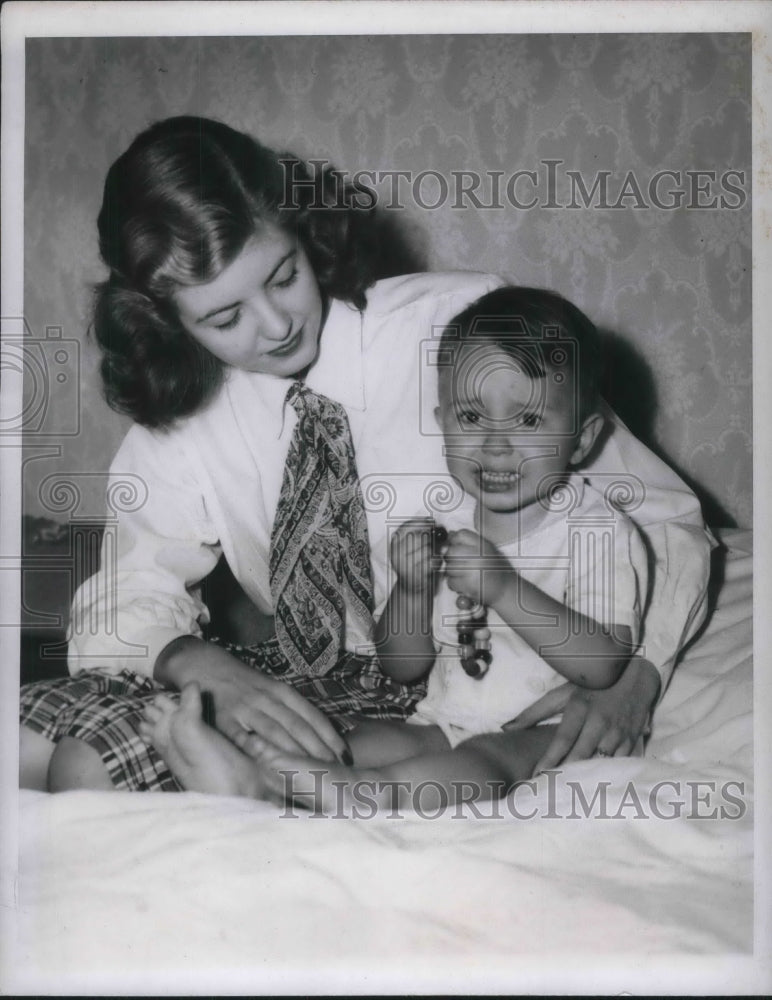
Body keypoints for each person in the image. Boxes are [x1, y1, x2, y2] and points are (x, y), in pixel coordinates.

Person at [19, 116, 711, 794]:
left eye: (284, 275)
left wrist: (636, 677)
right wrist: (196, 663)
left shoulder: (458, 324)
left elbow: (661, 516)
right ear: (164, 321)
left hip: (430, 685)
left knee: (106, 774)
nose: (277, 323)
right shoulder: (182, 417)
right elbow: (127, 595)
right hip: (297, 668)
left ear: (304, 232)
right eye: (224, 319)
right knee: (69, 760)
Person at [140, 287, 650, 809]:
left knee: (481, 767)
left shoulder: (595, 529)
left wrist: (503, 588)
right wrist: (411, 590)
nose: (496, 444)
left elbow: (602, 663)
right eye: (472, 418)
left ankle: (332, 794)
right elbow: (403, 667)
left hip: (545, 731)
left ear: (583, 439)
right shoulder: (448, 519)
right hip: (441, 718)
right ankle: (252, 776)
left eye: (529, 421)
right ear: (441, 419)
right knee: (347, 745)